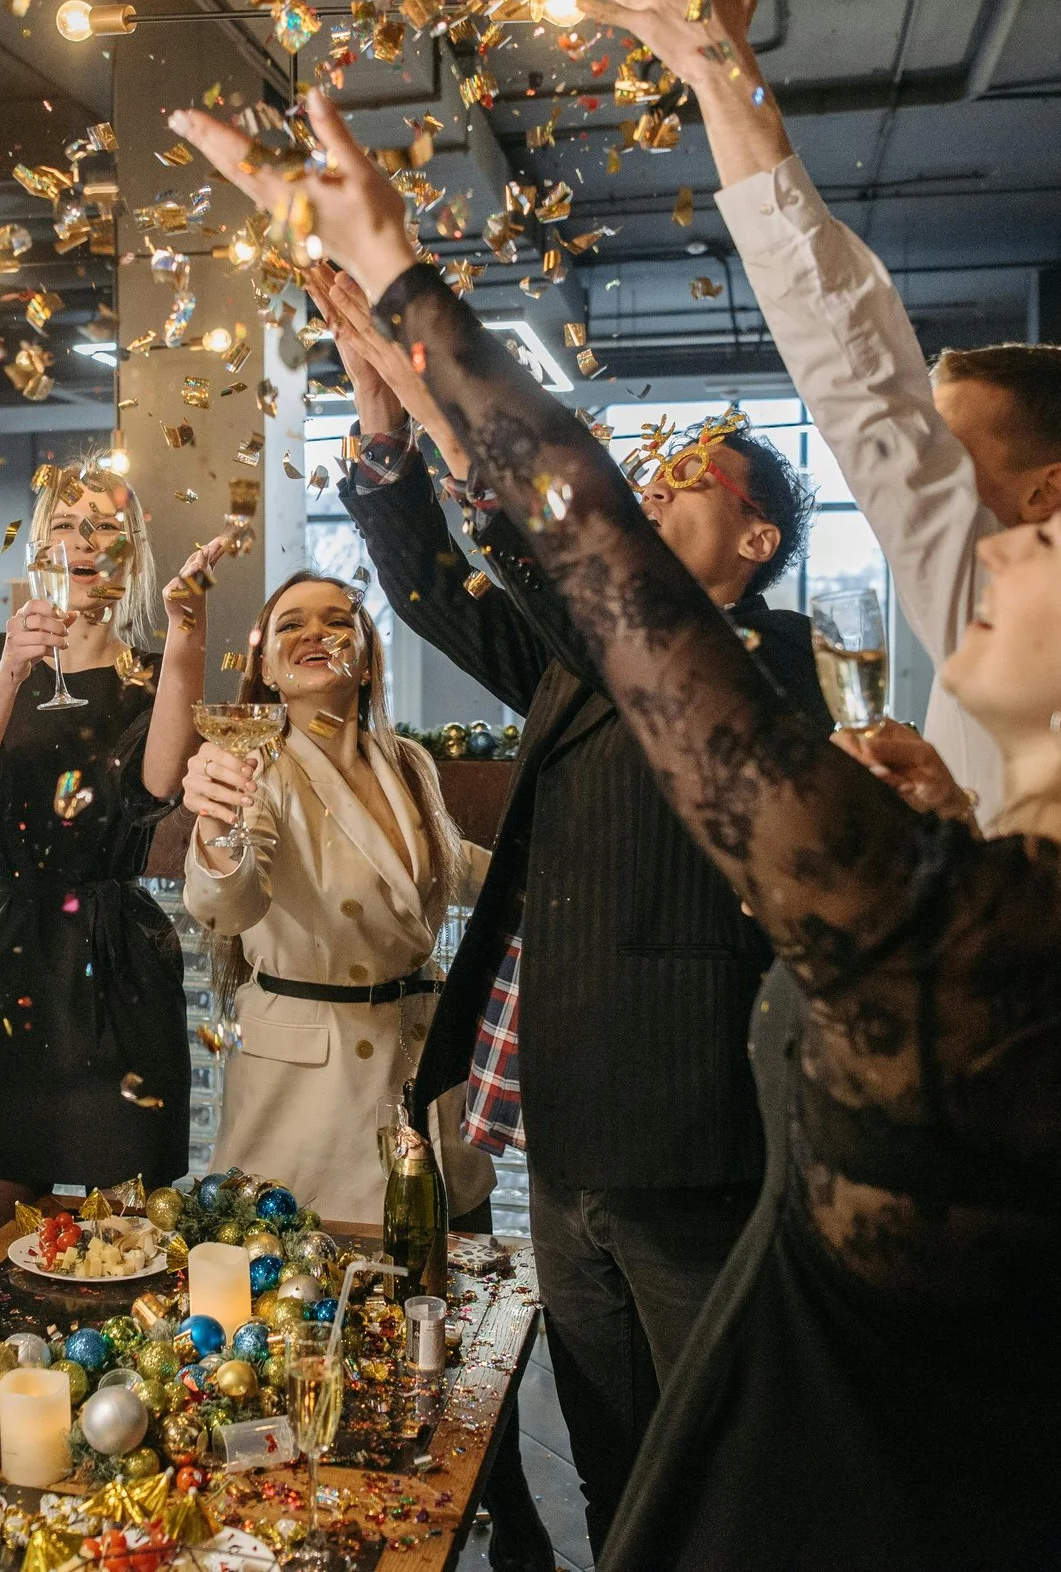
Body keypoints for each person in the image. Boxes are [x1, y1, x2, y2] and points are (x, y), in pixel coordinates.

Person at [167, 0, 1061, 1562]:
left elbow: (596, 549)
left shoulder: (960, 935)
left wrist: (406, 282)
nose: (991, 546)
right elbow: (823, 413)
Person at [305, 261, 830, 1550]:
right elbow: (435, 593)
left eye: (684, 484)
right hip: (571, 1132)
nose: (647, 494)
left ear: (754, 542)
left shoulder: (771, 660)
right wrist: (385, 436)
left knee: (720, 1470)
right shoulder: (580, 662)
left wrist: (445, 406)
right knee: (608, 1454)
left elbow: (562, 573)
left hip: (693, 1139)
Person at [687, 0, 1061, 821]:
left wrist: (722, 73)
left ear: (1049, 491)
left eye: (946, 456)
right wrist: (953, 811)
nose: (913, 476)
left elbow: (861, 383)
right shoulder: (1042, 640)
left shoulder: (1039, 619)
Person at [0, 467, 223, 1221]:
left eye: (107, 525)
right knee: (1, 1220)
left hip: (121, 965)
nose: (86, 538)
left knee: (131, 1227)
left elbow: (158, 784)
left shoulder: (146, 674)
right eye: (69, 522)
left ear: (132, 552)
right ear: (41, 543)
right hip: (12, 959)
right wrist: (12, 669)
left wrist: (187, 638)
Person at [178, 572, 493, 1225]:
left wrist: (557, 880)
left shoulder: (408, 761)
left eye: (337, 621)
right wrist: (213, 827)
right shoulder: (257, 765)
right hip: (309, 1099)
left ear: (369, 658)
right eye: (291, 624)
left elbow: (457, 865)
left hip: (420, 1071)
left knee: (439, 1293)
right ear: (265, 667)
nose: (316, 632)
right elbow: (228, 906)